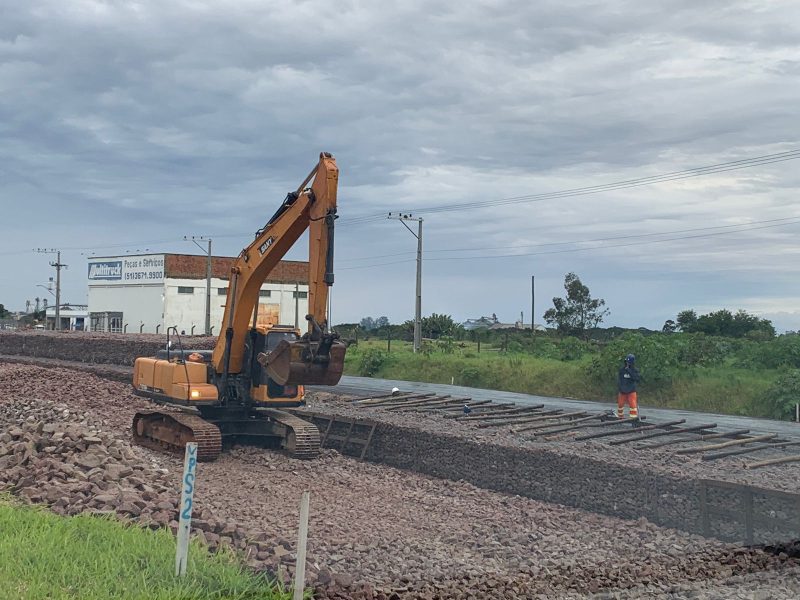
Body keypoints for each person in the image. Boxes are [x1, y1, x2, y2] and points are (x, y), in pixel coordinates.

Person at [617, 354, 641, 419]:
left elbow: (637, 379)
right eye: (626, 362)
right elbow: (619, 380)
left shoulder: (635, 370)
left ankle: (633, 419)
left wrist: (629, 371)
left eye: (629, 362)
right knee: (620, 405)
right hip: (622, 391)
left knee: (633, 406)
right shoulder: (622, 370)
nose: (627, 364)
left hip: (631, 391)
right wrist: (620, 388)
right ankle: (620, 418)